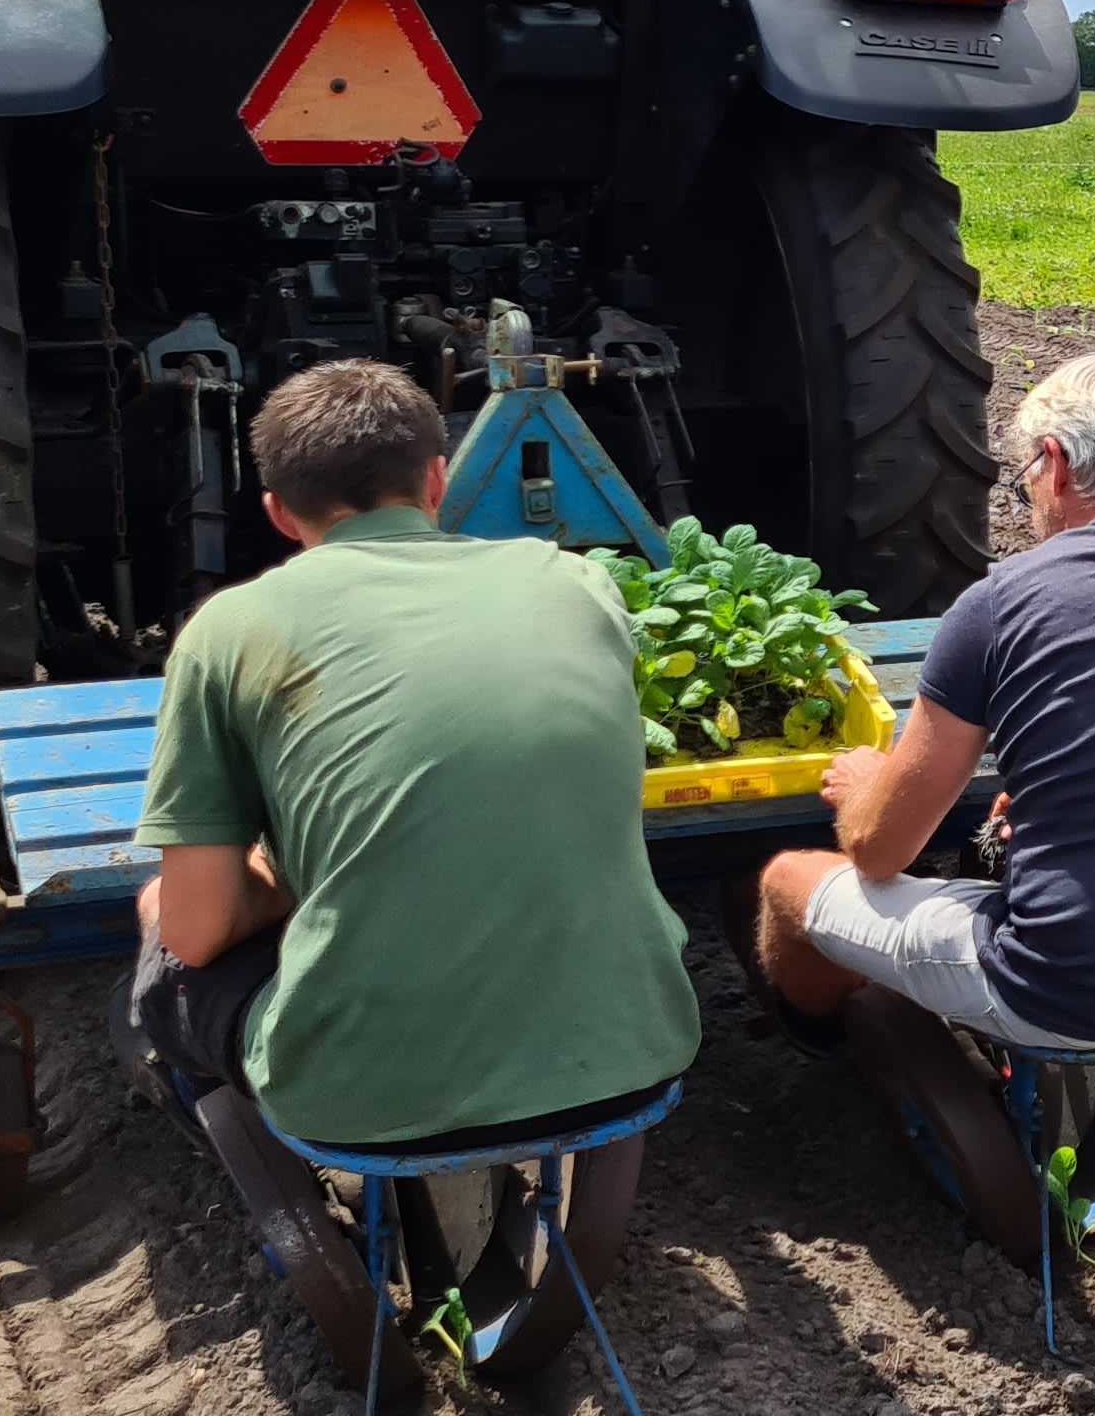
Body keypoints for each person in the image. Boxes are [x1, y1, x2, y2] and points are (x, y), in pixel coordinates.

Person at [130, 357, 698, 1146]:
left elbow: (197, 931)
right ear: (437, 480)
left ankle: (239, 1128)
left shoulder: (229, 629)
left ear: (277, 513)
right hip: (642, 1056)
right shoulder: (577, 582)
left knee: (162, 916)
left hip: (357, 1105)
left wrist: (286, 882)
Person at [752, 349, 1095, 1051]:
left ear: (1054, 462)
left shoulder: (999, 603)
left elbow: (878, 851)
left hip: (1066, 988)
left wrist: (867, 787)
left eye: (1025, 487)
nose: (1029, 513)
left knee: (789, 878)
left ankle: (831, 1053)